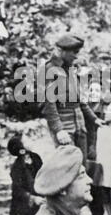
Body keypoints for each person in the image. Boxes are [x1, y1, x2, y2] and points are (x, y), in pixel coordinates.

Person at [42, 34, 104, 165]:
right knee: (68, 168)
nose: (76, 56)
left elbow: (79, 100)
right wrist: (59, 130)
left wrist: (94, 119)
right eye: (74, 52)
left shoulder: (71, 69)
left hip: (80, 127)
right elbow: (49, 104)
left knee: (82, 167)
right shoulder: (50, 69)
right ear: (62, 51)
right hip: (65, 128)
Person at [8, 135, 44, 215]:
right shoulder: (17, 167)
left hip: (40, 196)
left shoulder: (36, 158)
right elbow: (17, 190)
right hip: (24, 204)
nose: (30, 141)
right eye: (26, 141)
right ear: (22, 150)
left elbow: (43, 175)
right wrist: (33, 198)